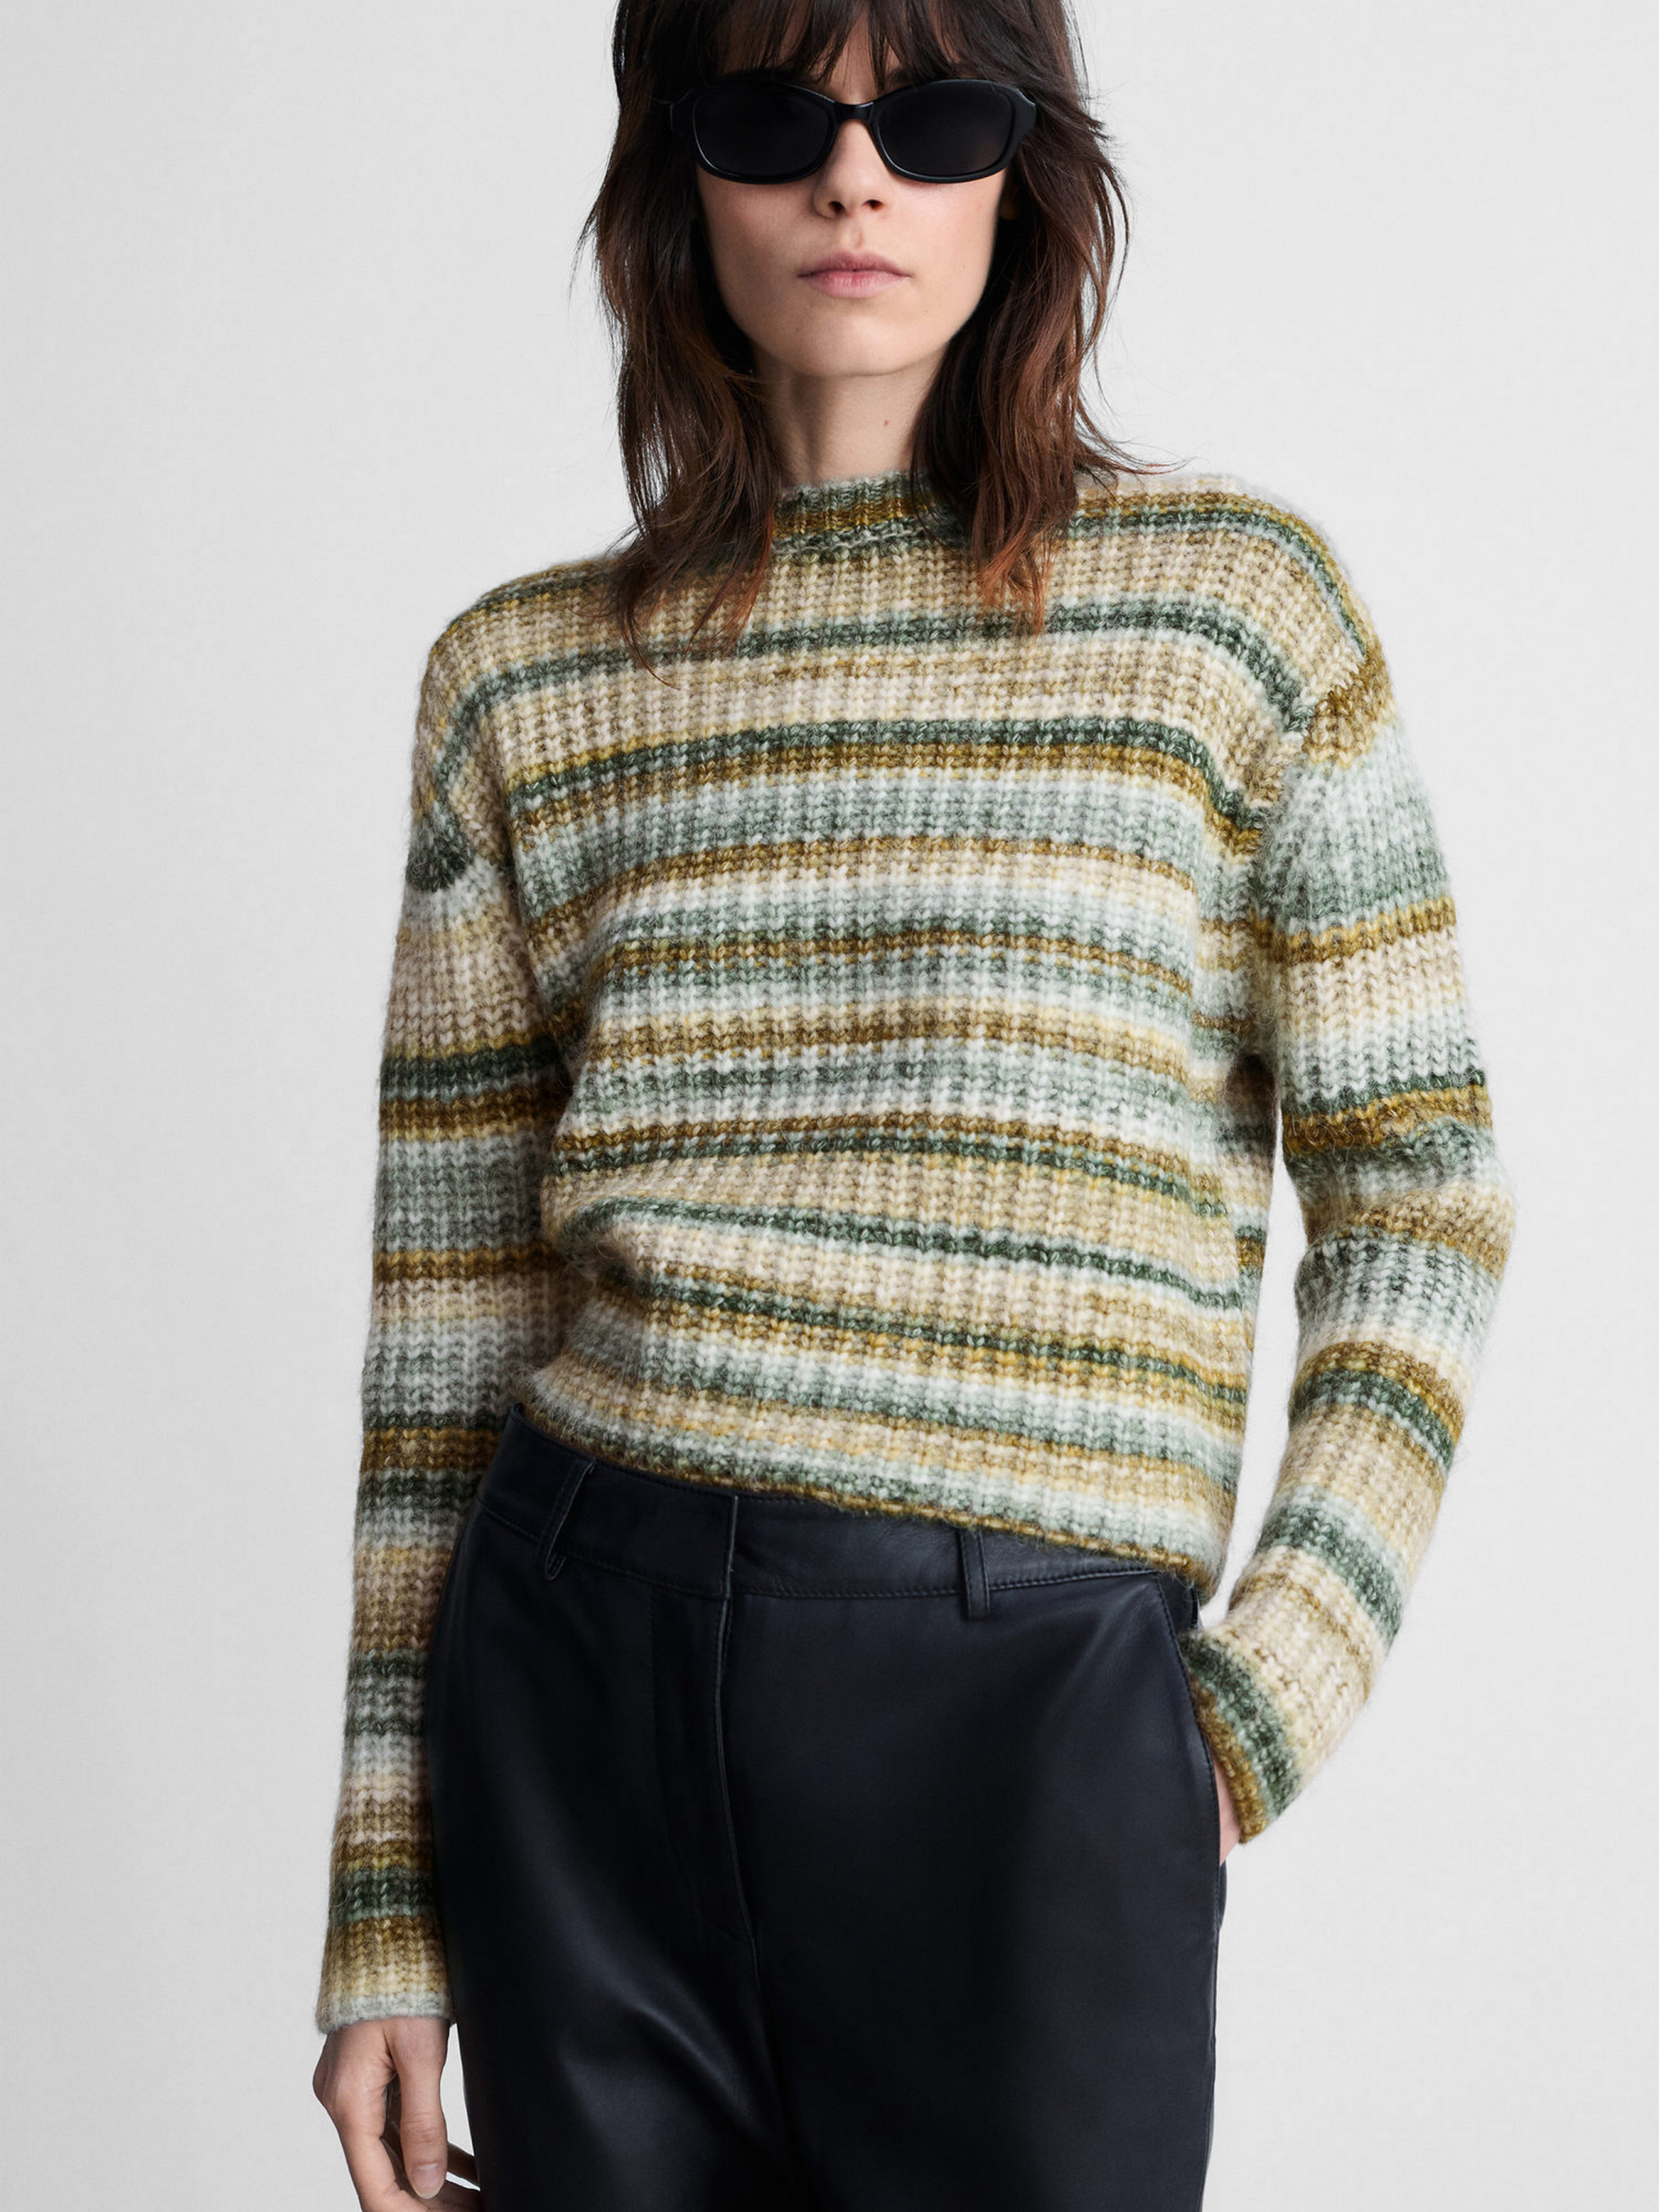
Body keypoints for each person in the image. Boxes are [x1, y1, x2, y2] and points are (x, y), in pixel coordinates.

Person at [311, 2, 1516, 2205]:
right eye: (774, 114)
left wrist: (1260, 1698)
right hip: (580, 1678)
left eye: (932, 115)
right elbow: (446, 1324)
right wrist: (387, 1897)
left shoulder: (1230, 619)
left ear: (1021, 172)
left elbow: (1420, 1189)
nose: (852, 176)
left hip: (1023, 1709)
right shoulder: (519, 682)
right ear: (675, 173)